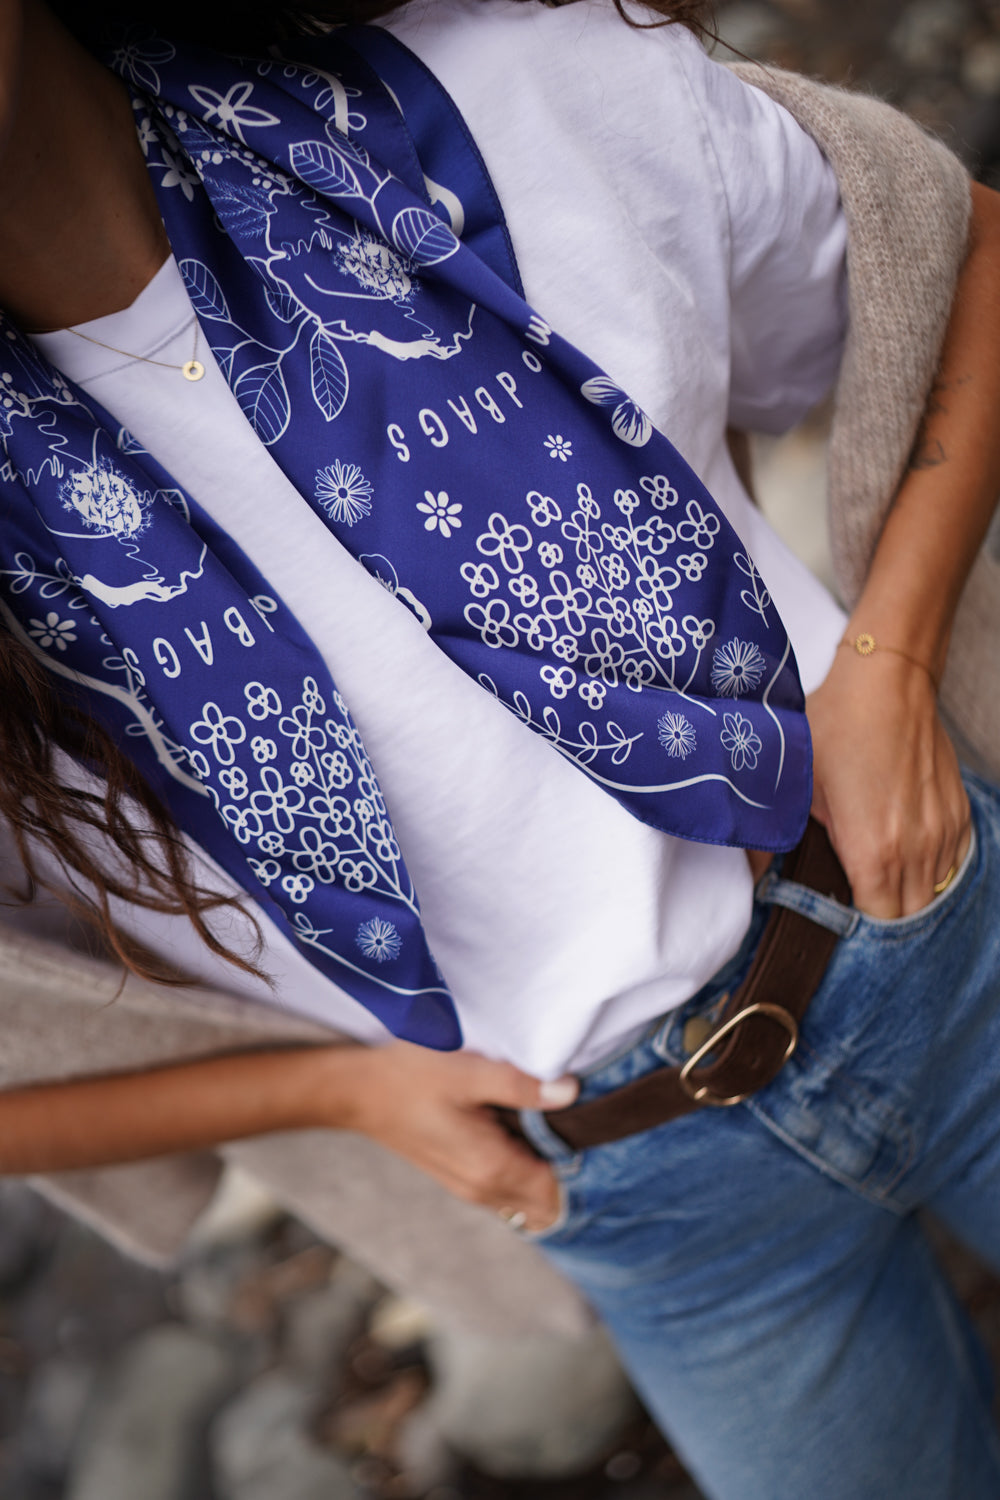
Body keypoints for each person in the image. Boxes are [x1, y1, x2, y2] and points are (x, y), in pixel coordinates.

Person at [1, 0, 999, 1495]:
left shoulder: (482, 107)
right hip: (649, 1200)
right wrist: (336, 1094)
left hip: (922, 937)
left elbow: (956, 245)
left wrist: (893, 661)